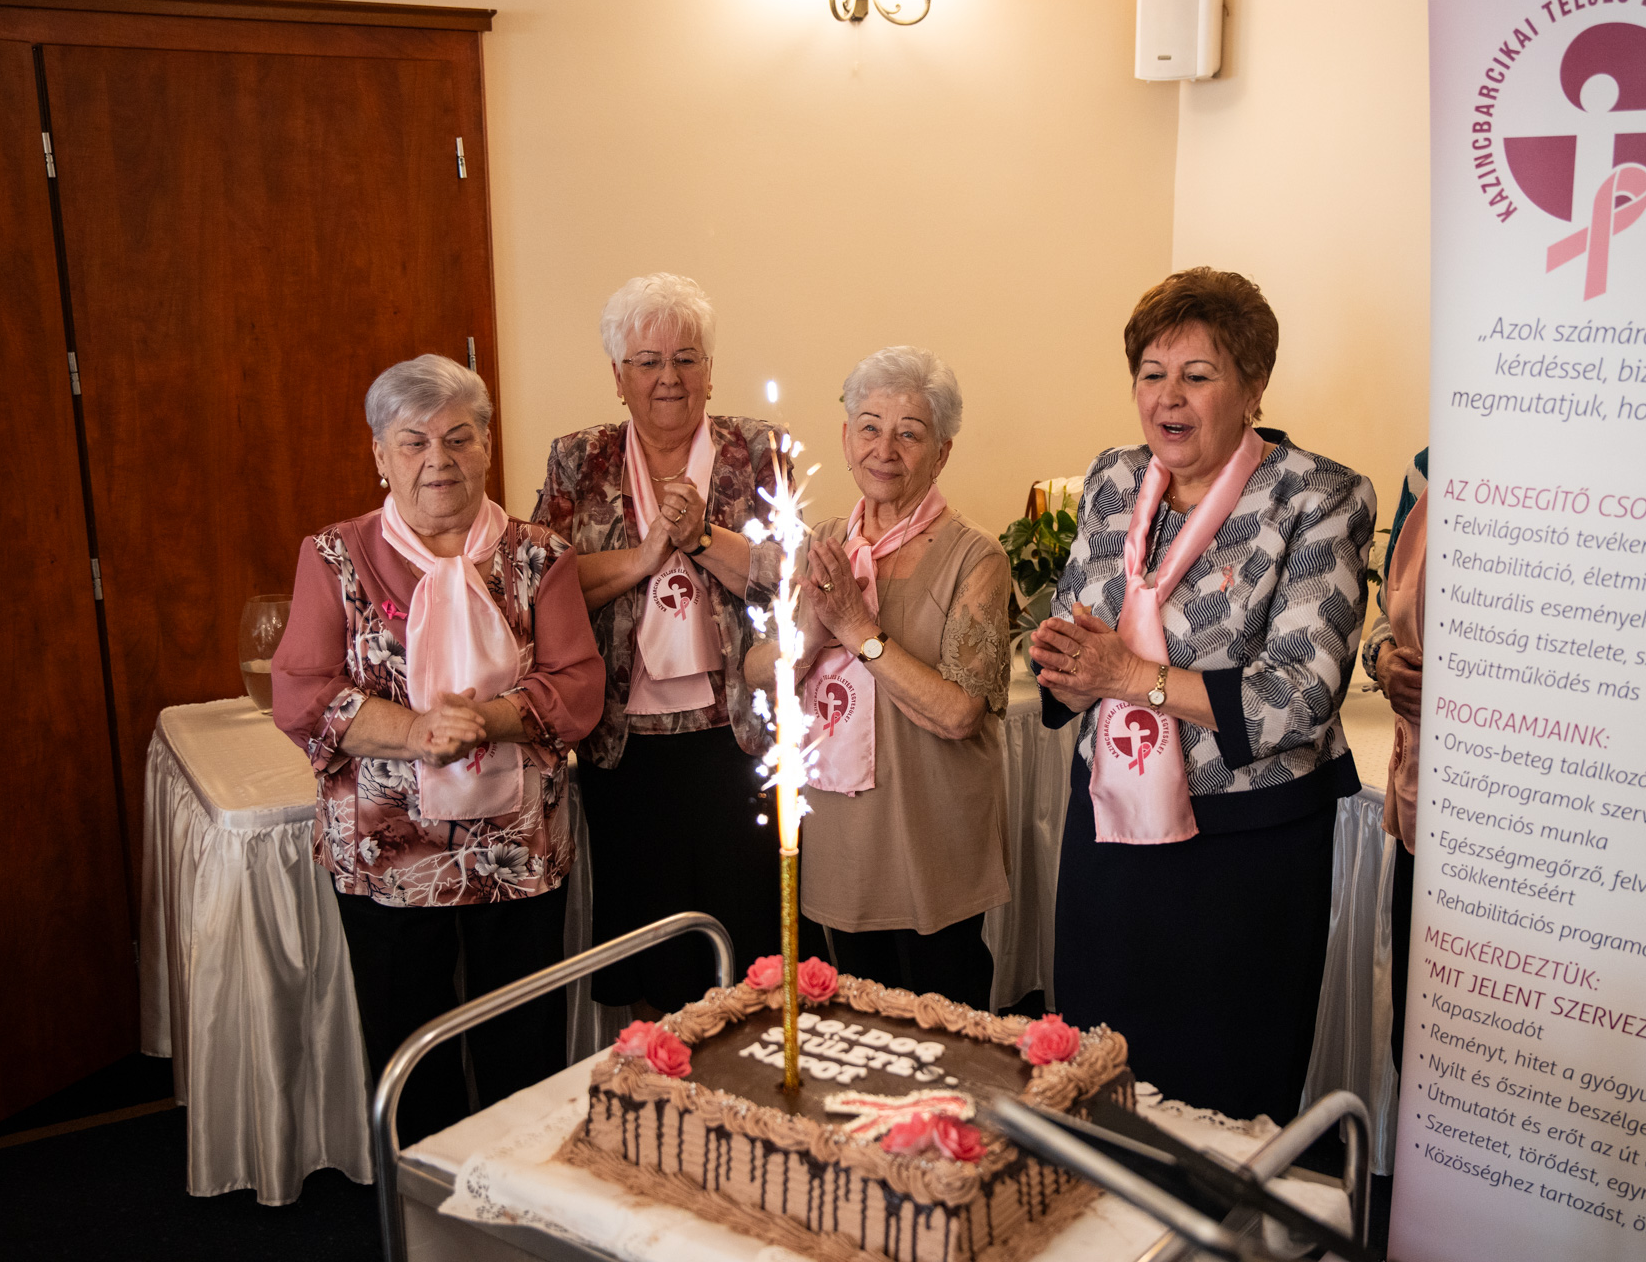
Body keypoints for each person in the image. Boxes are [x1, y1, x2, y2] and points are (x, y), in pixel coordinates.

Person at [1031, 268, 1376, 1124]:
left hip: (1244, 850)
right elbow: (1078, 617)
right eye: (1152, 372)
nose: (1168, 397)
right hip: (1112, 827)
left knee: (1223, 1090)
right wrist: (1063, 656)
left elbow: (1300, 698)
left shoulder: (1318, 497)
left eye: (1198, 374)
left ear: (1253, 387)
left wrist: (1127, 676)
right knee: (1097, 1070)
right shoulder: (1114, 480)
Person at [273, 354, 604, 1141]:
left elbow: (579, 686)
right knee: (407, 1053)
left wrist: (485, 719)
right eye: (413, 441)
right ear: (379, 455)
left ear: (488, 445)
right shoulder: (333, 556)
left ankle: (518, 1202)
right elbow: (301, 692)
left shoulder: (538, 555)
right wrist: (417, 729)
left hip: (516, 851)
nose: (438, 460)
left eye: (458, 438)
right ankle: (422, 1215)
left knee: (521, 1046)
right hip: (386, 857)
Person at [532, 273, 791, 1011]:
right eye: (647, 362)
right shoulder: (577, 460)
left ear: (710, 370)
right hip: (625, 745)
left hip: (738, 738)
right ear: (619, 377)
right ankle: (662, 1093)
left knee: (750, 950)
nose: (668, 377)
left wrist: (702, 538)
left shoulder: (759, 451)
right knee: (651, 953)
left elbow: (796, 576)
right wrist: (644, 560)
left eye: (686, 358)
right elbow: (541, 588)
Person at [743, 347, 1011, 1010]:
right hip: (839, 839)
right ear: (844, 437)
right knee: (857, 1038)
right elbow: (755, 673)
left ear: (942, 452)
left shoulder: (974, 555)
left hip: (930, 839)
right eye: (869, 427)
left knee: (943, 1038)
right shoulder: (820, 544)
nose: (884, 448)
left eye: (909, 433)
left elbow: (959, 713)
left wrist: (859, 629)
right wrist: (813, 626)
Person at [1362, 448, 1428, 1072]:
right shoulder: (1425, 471)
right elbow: (1385, 617)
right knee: (1421, 1033)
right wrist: (1384, 661)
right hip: (1423, 799)